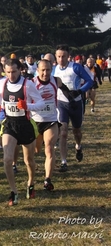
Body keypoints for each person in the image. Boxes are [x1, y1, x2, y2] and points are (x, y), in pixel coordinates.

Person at [0, 58, 45, 206]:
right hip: (9, 124)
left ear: (20, 70)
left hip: (25, 124)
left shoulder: (28, 84)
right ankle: (14, 191)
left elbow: (40, 103)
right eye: (8, 72)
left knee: (29, 161)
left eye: (14, 71)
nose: (11, 75)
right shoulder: (2, 83)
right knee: (7, 159)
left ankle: (30, 182)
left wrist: (27, 106)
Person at [53, 44, 93, 172]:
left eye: (63, 56)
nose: (61, 59)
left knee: (77, 131)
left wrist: (80, 91)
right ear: (56, 56)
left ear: (68, 56)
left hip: (75, 103)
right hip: (61, 103)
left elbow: (89, 81)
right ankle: (64, 162)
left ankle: (78, 146)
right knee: (63, 132)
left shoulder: (75, 67)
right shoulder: (53, 70)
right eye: (58, 56)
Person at [31, 60, 64, 191]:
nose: (45, 73)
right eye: (42, 70)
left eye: (48, 70)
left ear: (52, 70)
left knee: (49, 148)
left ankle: (47, 180)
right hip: (35, 121)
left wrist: (72, 97)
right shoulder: (31, 83)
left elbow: (65, 90)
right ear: (37, 70)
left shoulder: (56, 81)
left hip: (51, 120)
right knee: (36, 150)